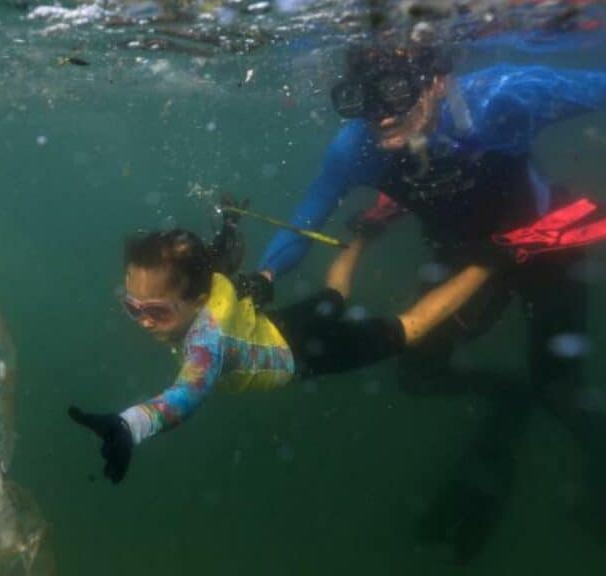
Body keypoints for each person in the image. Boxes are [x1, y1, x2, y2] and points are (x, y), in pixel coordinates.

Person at [252, 41, 606, 562]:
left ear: (438, 80)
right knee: (418, 375)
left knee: (559, 389)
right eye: (361, 98)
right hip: (463, 261)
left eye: (395, 91)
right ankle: (509, 398)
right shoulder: (355, 149)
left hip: (543, 250)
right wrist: (262, 275)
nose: (380, 114)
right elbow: (308, 216)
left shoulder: (504, 99)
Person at [68, 223, 492, 484]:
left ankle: (493, 261)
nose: (142, 320)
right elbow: (218, 260)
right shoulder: (204, 278)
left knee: (410, 329)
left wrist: (129, 426)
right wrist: (230, 225)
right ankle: (365, 231)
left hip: (304, 356)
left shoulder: (206, 343)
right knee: (336, 297)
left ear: (197, 299)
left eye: (156, 311)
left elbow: (186, 394)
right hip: (275, 327)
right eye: (131, 306)